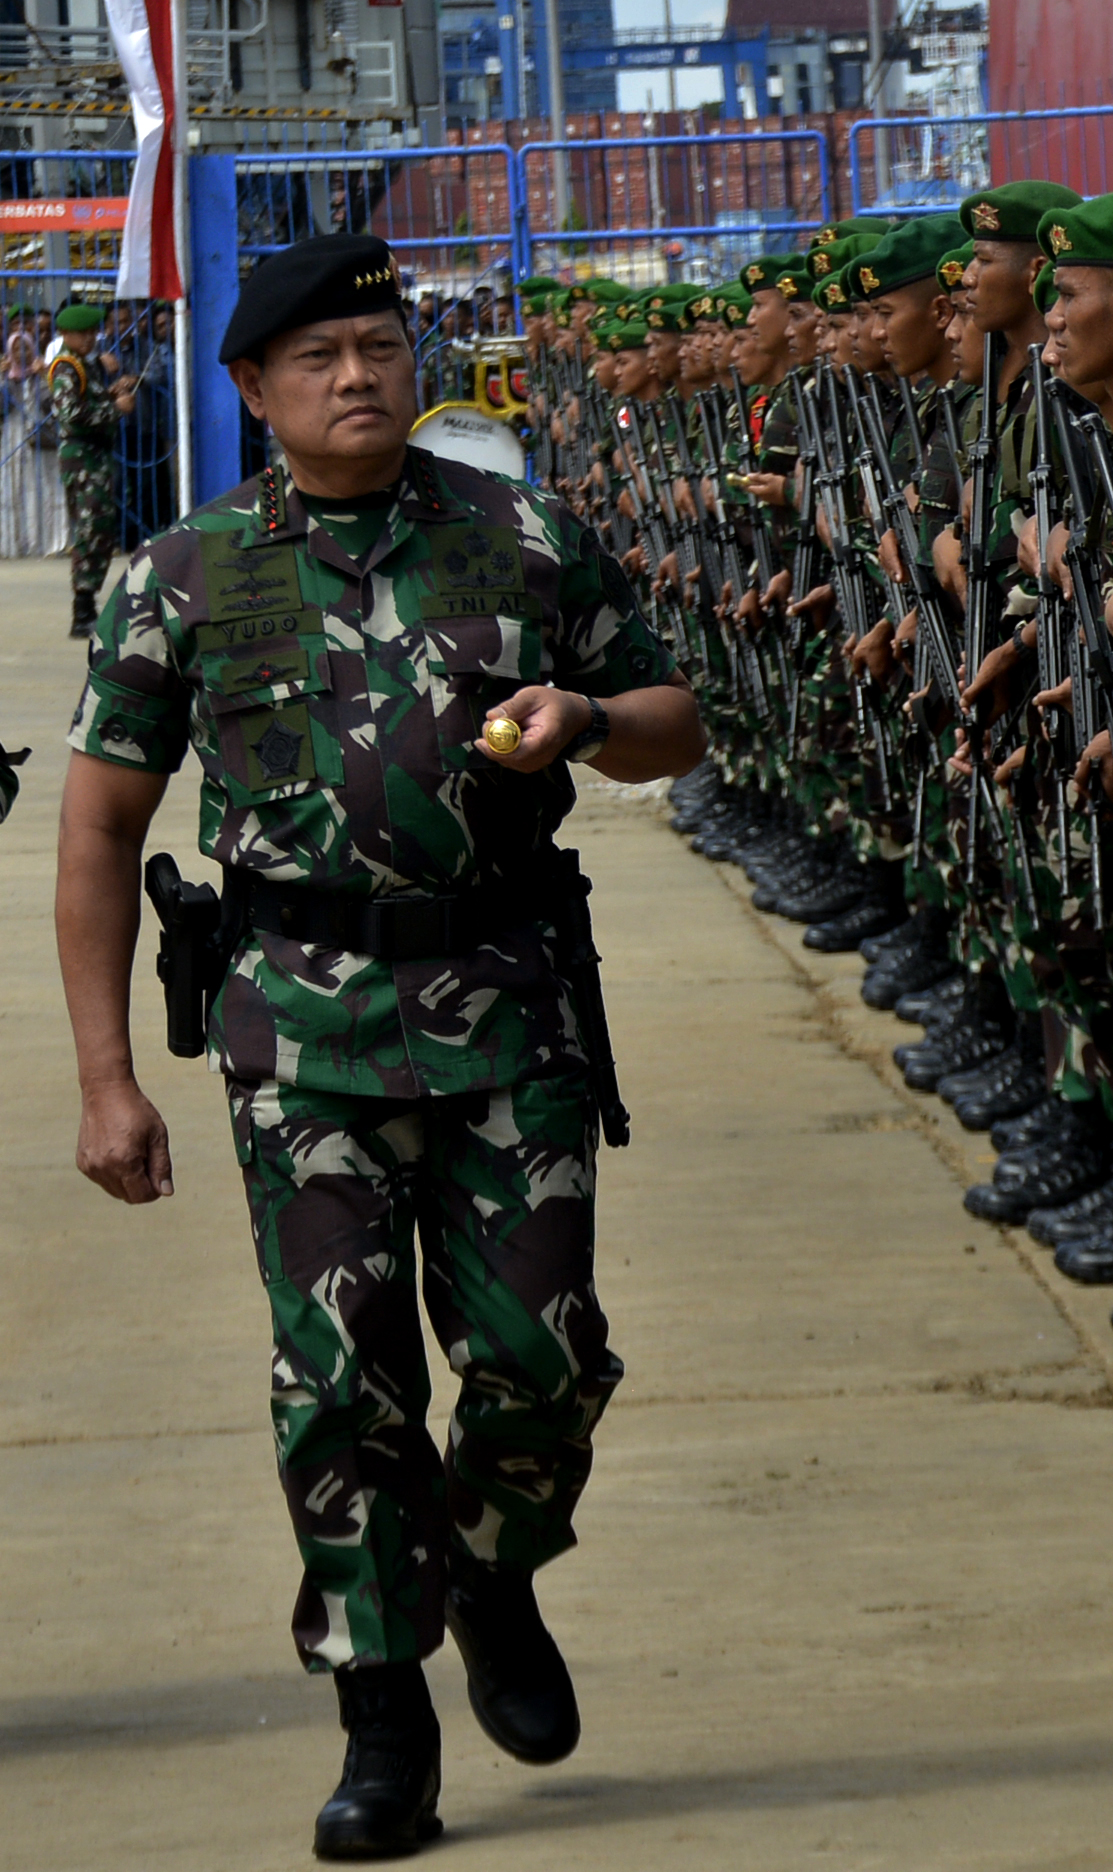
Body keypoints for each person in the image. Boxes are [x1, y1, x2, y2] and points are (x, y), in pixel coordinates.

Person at [53, 232, 702, 1861]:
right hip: (302, 1033)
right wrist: (107, 1077)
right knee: (341, 1387)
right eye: (320, 357)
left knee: (546, 1359)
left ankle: (488, 1561)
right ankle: (383, 1718)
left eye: (381, 346)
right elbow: (100, 825)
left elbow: (673, 720)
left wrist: (589, 722)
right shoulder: (184, 575)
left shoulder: (520, 534)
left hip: (508, 1011)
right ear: (253, 386)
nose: (359, 375)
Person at [49, 299, 134, 636]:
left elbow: (88, 402)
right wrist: (116, 409)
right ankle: (82, 609)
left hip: (95, 456)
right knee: (91, 527)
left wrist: (112, 393)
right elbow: (71, 414)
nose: (89, 338)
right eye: (82, 333)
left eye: (92, 332)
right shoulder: (66, 368)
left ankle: (88, 603)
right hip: (81, 456)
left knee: (101, 526)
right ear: (65, 334)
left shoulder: (86, 366)